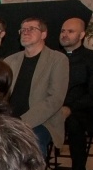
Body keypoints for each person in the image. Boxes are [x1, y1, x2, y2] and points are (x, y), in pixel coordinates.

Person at [6, 17, 69, 159]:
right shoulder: (10, 61)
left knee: (31, 144)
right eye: (23, 30)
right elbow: (0, 93)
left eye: (31, 29)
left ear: (44, 34)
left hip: (43, 121)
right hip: (9, 118)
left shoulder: (57, 60)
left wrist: (23, 121)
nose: (25, 32)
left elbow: (55, 99)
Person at [59, 17, 93, 170]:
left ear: (82, 35)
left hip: (81, 110)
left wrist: (70, 107)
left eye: (70, 31)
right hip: (54, 107)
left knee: (74, 124)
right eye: (63, 31)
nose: (65, 34)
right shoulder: (54, 57)